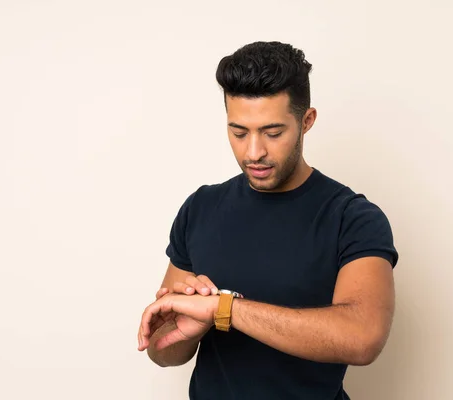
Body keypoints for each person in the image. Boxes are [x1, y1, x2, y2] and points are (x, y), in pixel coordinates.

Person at [137, 41, 399, 400]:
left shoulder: (352, 218)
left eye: (273, 133)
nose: (253, 152)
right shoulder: (200, 208)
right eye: (239, 132)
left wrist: (224, 310)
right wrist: (191, 328)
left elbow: (364, 337)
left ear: (306, 121)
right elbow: (162, 350)